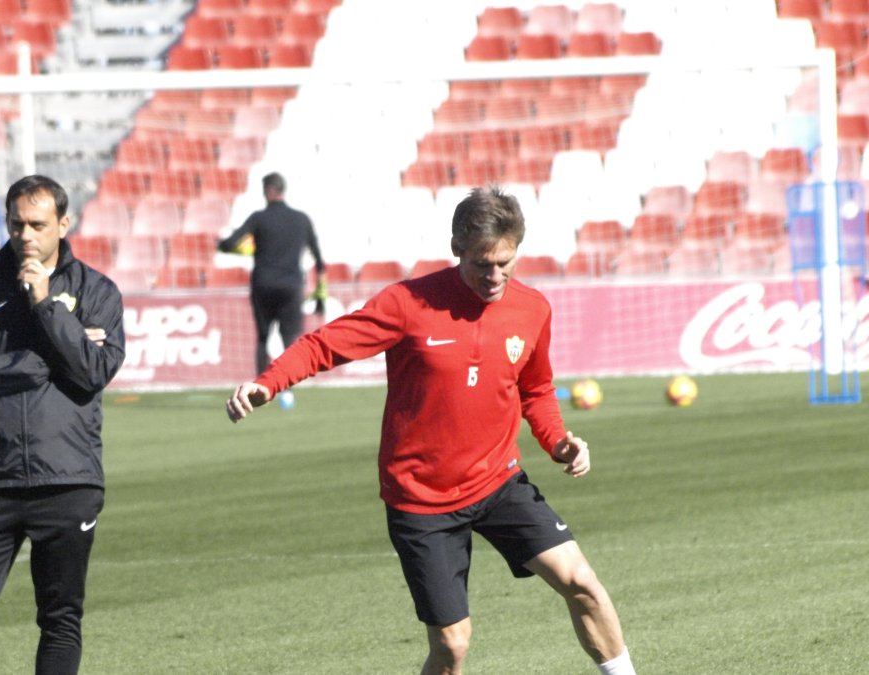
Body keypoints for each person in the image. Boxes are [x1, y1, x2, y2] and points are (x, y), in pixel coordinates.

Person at [225, 186, 635, 675]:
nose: (495, 276)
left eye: (506, 262)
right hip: (421, 501)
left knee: (583, 583)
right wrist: (268, 384)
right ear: (458, 247)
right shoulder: (408, 303)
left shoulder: (533, 309)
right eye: (483, 263)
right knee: (452, 646)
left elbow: (536, 389)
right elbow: (323, 345)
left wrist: (558, 442)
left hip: (498, 482)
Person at [0, 175, 126, 674]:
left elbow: (95, 371)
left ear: (64, 223)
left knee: (60, 619)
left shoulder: (97, 291)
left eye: (37, 224)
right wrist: (43, 361)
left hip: (67, 478)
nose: (26, 235)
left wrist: (44, 305)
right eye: (17, 224)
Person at [217, 172, 327, 409]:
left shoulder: (259, 218)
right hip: (291, 286)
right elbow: (319, 259)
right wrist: (321, 296)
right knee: (290, 339)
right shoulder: (301, 219)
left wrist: (231, 248)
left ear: (268, 191)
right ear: (282, 190)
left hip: (263, 285)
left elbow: (230, 242)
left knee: (263, 337)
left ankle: (260, 389)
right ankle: (287, 388)